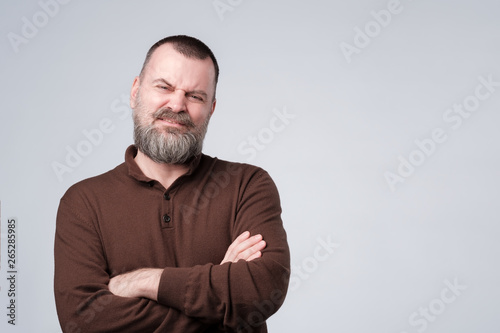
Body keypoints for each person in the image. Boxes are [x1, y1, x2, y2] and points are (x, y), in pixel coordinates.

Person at [54, 35, 290, 332]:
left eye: (195, 96)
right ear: (135, 92)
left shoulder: (248, 185)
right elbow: (82, 320)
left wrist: (143, 281)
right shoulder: (82, 202)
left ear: (211, 109)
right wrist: (223, 304)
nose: (177, 105)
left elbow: (263, 291)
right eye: (164, 87)